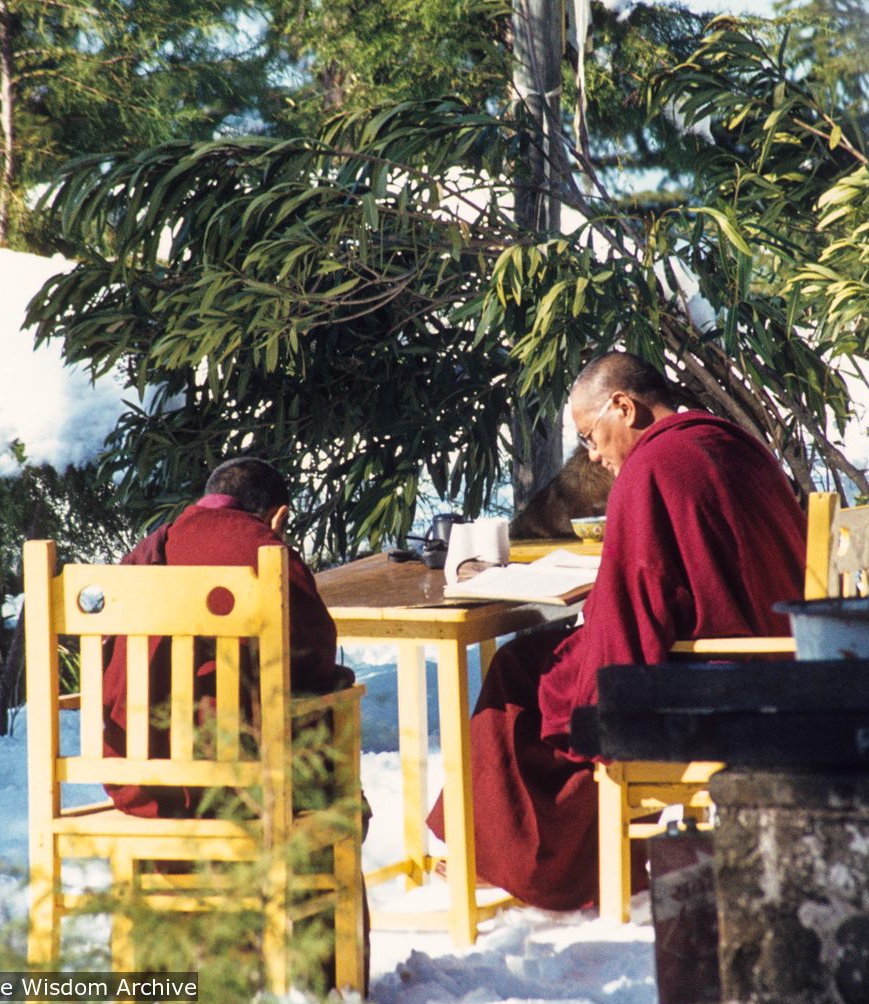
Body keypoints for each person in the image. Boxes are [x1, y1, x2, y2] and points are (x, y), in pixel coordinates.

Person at [428, 351, 807, 910]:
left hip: (729, 684)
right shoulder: (730, 439)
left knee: (529, 673)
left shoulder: (653, 467)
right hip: (790, 665)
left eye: (590, 436)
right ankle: (541, 854)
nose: (594, 455)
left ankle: (527, 863)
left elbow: (636, 610)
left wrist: (583, 656)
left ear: (623, 407)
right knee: (551, 663)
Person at [101, 456, 355, 817]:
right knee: (335, 698)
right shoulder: (268, 553)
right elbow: (314, 658)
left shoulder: (145, 553)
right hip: (242, 784)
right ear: (279, 515)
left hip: (139, 781)